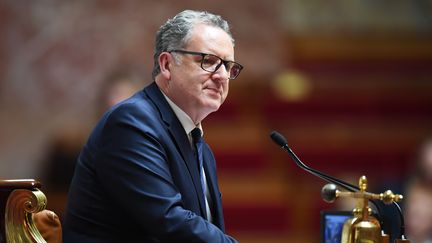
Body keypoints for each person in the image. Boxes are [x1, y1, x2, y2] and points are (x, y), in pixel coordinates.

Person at [62, 9, 243, 243]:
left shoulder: (201, 148)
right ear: (167, 64)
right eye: (208, 61)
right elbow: (169, 220)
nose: (222, 76)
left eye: (228, 67)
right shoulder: (131, 123)